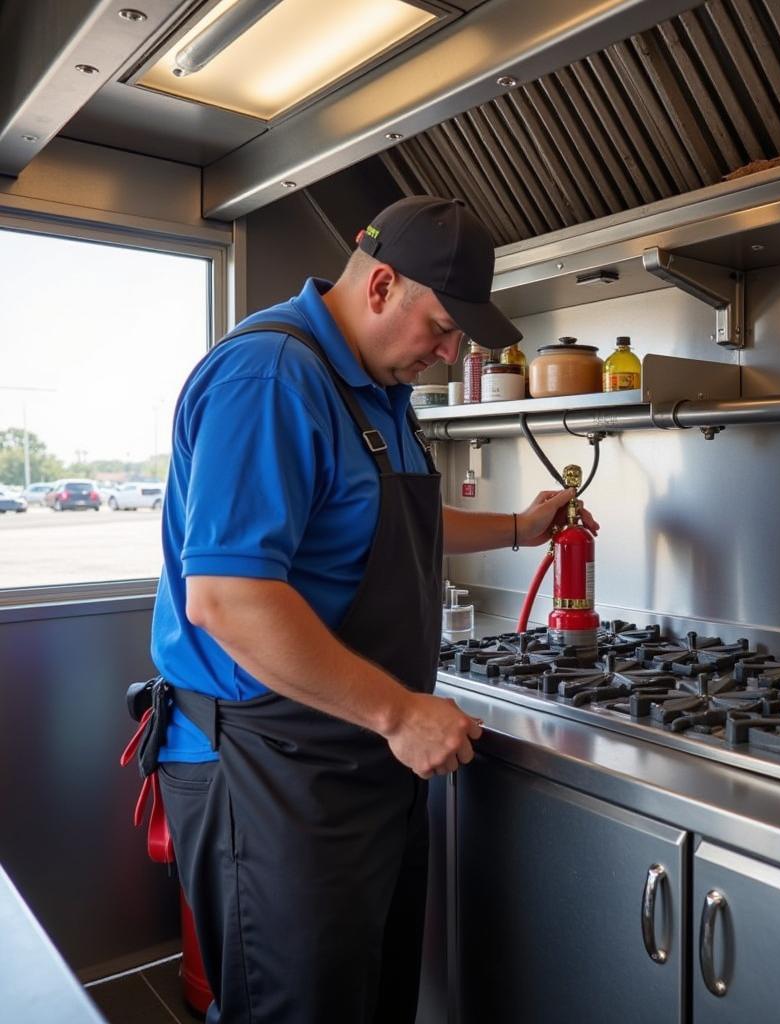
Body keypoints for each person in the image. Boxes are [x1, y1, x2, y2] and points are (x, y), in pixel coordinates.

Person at [141, 195, 598, 1024]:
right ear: (382, 284)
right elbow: (228, 598)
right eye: (443, 326)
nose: (450, 349)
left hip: (348, 756)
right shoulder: (273, 376)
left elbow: (387, 518)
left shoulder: (376, 388)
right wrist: (398, 713)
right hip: (264, 761)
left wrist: (518, 530)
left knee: (367, 1001)